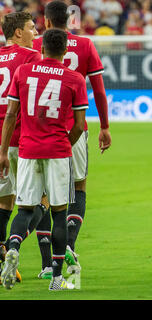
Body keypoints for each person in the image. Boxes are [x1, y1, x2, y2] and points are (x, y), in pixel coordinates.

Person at [0, 28, 88, 290]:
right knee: (59, 213)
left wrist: (4, 151)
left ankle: (12, 246)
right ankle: (57, 279)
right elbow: (80, 125)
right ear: (64, 51)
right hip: (57, 151)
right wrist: (64, 145)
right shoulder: (74, 78)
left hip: (27, 150)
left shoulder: (23, 72)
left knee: (26, 209)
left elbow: (11, 115)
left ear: (42, 48)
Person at [33, 0, 112, 275]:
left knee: (43, 193)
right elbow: (99, 91)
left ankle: (46, 264)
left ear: (46, 21)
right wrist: (104, 126)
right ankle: (69, 246)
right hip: (75, 129)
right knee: (78, 187)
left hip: (41, 130)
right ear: (71, 20)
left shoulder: (36, 45)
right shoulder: (87, 45)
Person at [0, 11, 50, 283]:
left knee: (4, 202)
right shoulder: (31, 57)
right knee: (41, 199)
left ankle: (2, 261)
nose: (36, 33)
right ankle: (12, 248)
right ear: (18, 33)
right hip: (22, 140)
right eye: (32, 28)